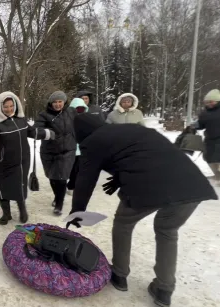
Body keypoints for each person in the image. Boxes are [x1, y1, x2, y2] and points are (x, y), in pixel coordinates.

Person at [69, 113, 217, 307]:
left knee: (124, 223)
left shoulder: (92, 142)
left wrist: (78, 211)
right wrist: (119, 178)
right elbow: (147, 156)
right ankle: (164, 289)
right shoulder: (136, 129)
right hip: (191, 183)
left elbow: (85, 179)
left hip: (148, 186)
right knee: (167, 231)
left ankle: (120, 274)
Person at [0, 91, 53, 225]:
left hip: (22, 161)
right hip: (3, 162)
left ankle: (22, 210)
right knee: (2, 188)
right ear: (0, 107)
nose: (9, 109)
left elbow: (32, 131)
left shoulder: (21, 119)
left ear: (15, 105)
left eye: (11, 106)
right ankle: (6, 213)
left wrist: (47, 133)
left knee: (19, 186)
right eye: (6, 107)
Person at [35, 91, 76, 215]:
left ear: (64, 102)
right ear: (51, 103)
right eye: (55, 102)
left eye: (60, 101)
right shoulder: (44, 115)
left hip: (67, 150)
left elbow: (83, 123)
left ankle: (59, 204)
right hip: (49, 151)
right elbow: (38, 129)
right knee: (52, 177)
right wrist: (47, 133)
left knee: (62, 178)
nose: (58, 104)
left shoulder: (71, 113)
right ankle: (56, 196)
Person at [193, 89, 220, 183]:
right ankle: (217, 176)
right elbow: (201, 125)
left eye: (211, 102)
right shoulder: (204, 113)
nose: (208, 104)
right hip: (210, 140)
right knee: (209, 158)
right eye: (207, 102)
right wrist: (195, 125)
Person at [66, 97, 89, 196]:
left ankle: (74, 185)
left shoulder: (87, 119)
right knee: (71, 169)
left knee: (80, 169)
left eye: (81, 109)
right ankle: (71, 185)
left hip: (82, 149)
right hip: (70, 148)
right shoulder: (67, 119)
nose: (79, 111)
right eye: (77, 109)